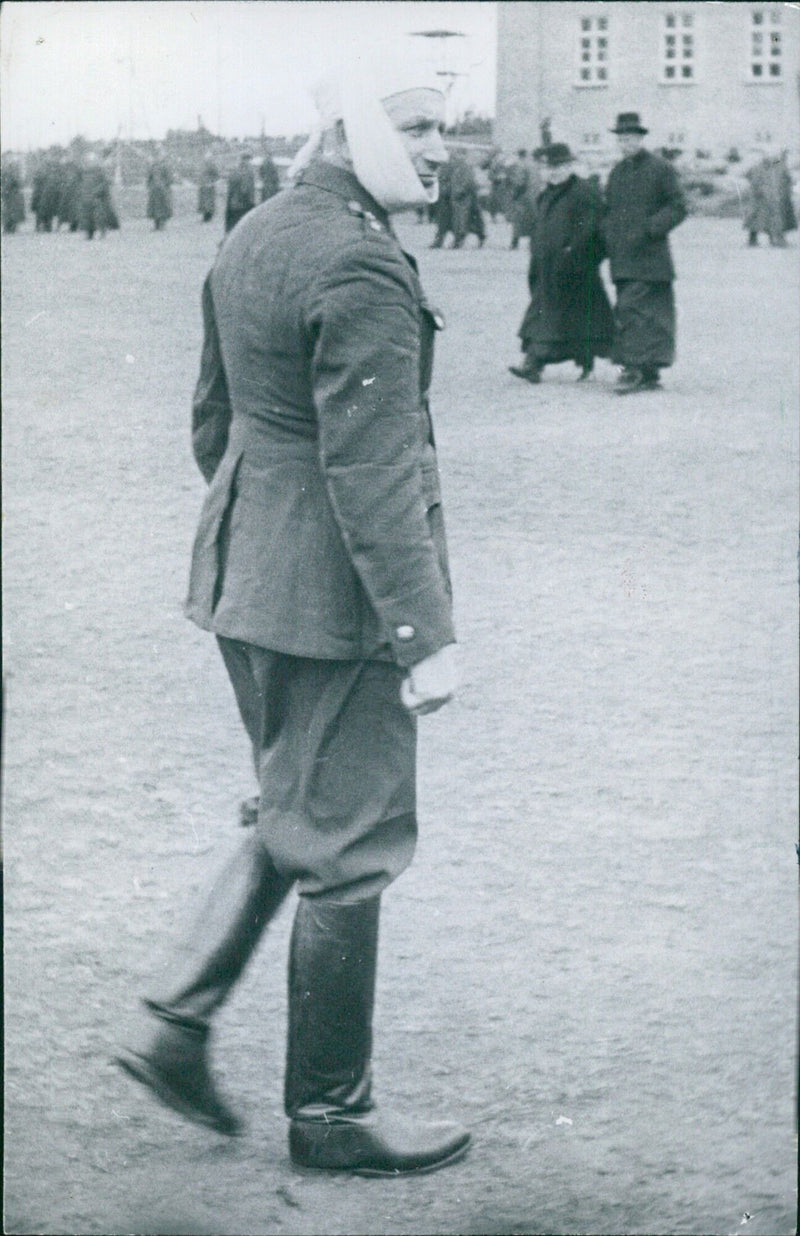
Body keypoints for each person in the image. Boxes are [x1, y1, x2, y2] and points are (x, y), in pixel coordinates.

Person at [114, 48, 471, 1179]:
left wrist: (258, 540)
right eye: (417, 136)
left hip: (247, 578)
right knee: (352, 839)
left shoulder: (257, 230)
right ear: (353, 136)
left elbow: (211, 424)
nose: (439, 156)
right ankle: (329, 1112)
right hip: (336, 599)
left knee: (293, 800)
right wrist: (423, 635)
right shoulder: (361, 266)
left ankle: (172, 1020)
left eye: (445, 137)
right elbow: (372, 475)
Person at [510, 143, 612, 384]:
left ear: (569, 166)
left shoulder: (583, 191)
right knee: (553, 316)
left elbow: (592, 227)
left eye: (558, 166)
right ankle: (542, 363)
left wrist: (573, 251)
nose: (553, 172)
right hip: (547, 267)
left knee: (565, 318)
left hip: (575, 268)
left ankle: (537, 364)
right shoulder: (546, 194)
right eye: (548, 167)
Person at [603, 112, 686, 394]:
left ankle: (634, 370)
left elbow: (678, 206)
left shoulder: (660, 168)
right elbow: (608, 210)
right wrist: (608, 236)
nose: (626, 143)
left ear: (641, 139)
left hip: (651, 258)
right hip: (623, 259)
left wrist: (651, 229)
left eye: (631, 138)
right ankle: (649, 372)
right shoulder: (616, 173)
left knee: (637, 312)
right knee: (639, 313)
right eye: (622, 139)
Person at [744, 149, 797, 248]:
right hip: (764, 197)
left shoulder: (779, 167)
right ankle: (771, 238)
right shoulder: (766, 167)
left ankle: (771, 238)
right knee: (765, 218)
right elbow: (751, 177)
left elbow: (788, 181)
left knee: (769, 218)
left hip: (773, 197)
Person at [449, 150, 485, 249]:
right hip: (459, 199)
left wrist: (459, 192)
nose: (455, 159)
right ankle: (459, 240)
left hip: (465, 199)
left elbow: (468, 182)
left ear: (463, 156)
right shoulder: (457, 168)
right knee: (461, 221)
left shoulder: (466, 168)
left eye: (457, 156)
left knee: (463, 221)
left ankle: (460, 241)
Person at [78, 153, 118, 240]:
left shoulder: (100, 172)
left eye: (91, 161)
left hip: (97, 198)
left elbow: (104, 183)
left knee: (99, 216)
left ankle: (102, 232)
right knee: (87, 217)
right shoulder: (84, 172)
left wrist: (97, 191)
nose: (89, 163)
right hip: (86, 198)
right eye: (88, 161)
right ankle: (89, 234)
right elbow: (81, 183)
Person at [224, 152, 257, 232]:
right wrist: (250, 202)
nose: (250, 162)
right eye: (249, 160)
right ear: (246, 160)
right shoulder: (247, 172)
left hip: (232, 203)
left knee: (232, 227)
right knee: (244, 227)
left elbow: (230, 186)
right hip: (243, 203)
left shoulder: (234, 170)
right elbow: (245, 189)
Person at [147, 149, 174, 231]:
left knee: (163, 207)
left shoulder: (166, 166)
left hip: (163, 191)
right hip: (154, 190)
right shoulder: (153, 166)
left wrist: (164, 185)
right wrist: (149, 185)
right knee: (154, 208)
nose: (159, 158)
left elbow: (170, 179)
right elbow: (150, 177)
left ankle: (162, 225)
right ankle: (156, 226)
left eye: (161, 156)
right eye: (158, 156)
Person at [1, 156, 26, 233]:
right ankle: (9, 227)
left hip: (11, 194)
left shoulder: (10, 173)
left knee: (10, 212)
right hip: (10, 194)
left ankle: (10, 227)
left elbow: (17, 182)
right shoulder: (10, 173)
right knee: (10, 212)